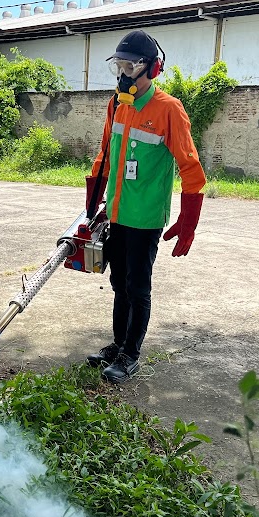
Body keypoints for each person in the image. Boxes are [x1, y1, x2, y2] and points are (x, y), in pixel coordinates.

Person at [85, 30, 206, 384]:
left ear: (151, 69)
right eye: (118, 66)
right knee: (118, 284)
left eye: (129, 67)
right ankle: (118, 343)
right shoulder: (116, 105)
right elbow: (104, 158)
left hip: (146, 217)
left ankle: (130, 355)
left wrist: (189, 221)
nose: (123, 74)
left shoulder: (169, 109)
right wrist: (91, 207)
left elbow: (191, 168)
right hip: (118, 212)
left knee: (138, 287)